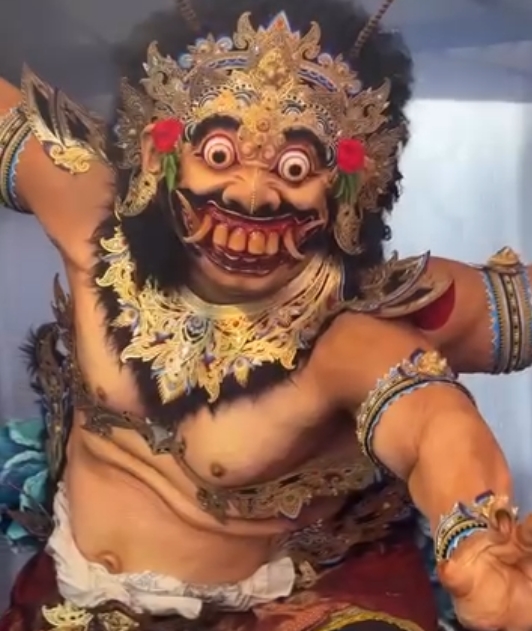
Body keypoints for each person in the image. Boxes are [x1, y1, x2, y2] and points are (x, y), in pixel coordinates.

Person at [0, 0, 532, 630]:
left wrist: (476, 543)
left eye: (295, 167)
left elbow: (433, 427)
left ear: (349, 190)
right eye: (219, 154)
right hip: (61, 598)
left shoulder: (348, 336)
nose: (251, 195)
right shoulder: (92, 221)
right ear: (155, 155)